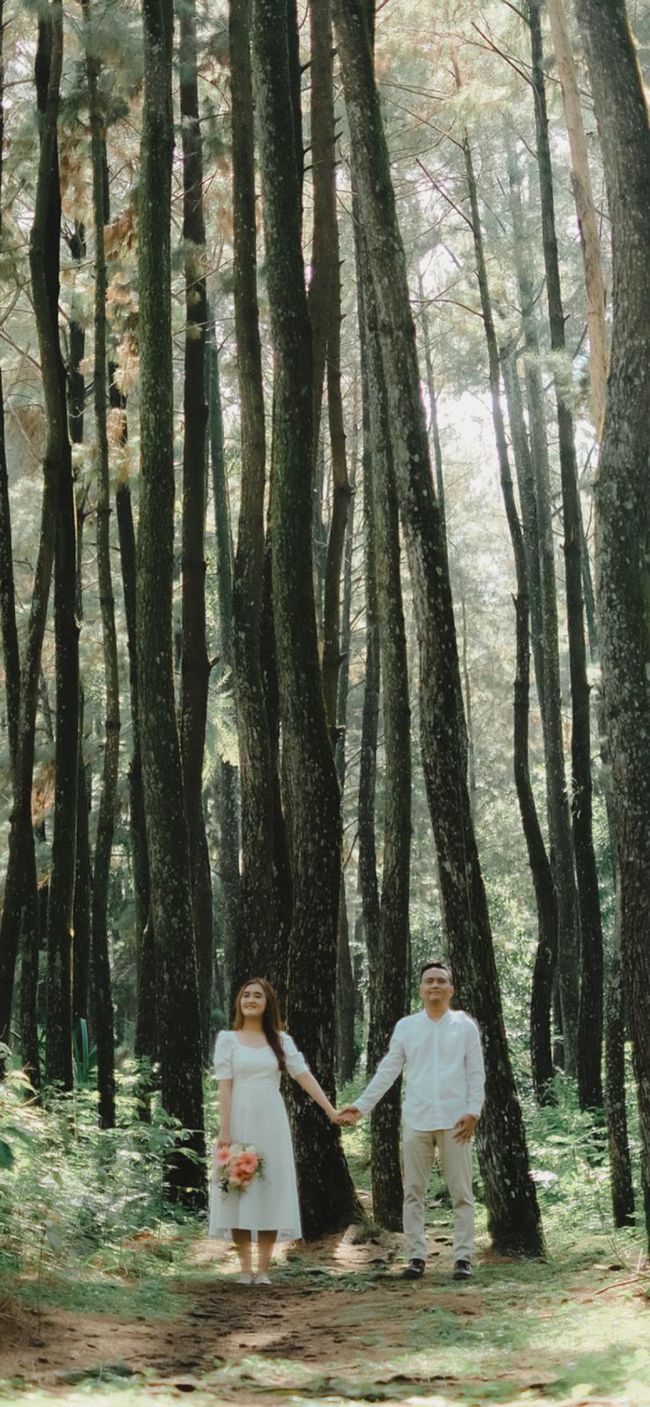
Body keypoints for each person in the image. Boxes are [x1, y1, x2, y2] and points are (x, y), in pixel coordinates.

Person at [338, 960, 485, 1282]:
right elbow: (388, 1071)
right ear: (420, 989)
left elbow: (476, 1072)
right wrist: (360, 1107)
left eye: (441, 981)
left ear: (451, 989)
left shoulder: (464, 1026)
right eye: (429, 981)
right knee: (414, 1192)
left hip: (456, 1121)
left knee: (461, 1193)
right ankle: (416, 1257)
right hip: (417, 1120)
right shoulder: (407, 1027)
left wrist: (474, 1111)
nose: (435, 985)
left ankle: (462, 1258)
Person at [208, 977, 339, 1284]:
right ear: (239, 1002)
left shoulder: (281, 1041)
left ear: (268, 1004)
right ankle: (245, 1269)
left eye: (257, 996)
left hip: (272, 1121)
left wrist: (330, 1110)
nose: (250, 1000)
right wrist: (225, 1129)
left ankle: (263, 1270)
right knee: (238, 1186)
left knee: (269, 1188)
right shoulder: (228, 1039)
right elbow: (224, 1086)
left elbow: (303, 1076)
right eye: (246, 995)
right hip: (238, 1119)